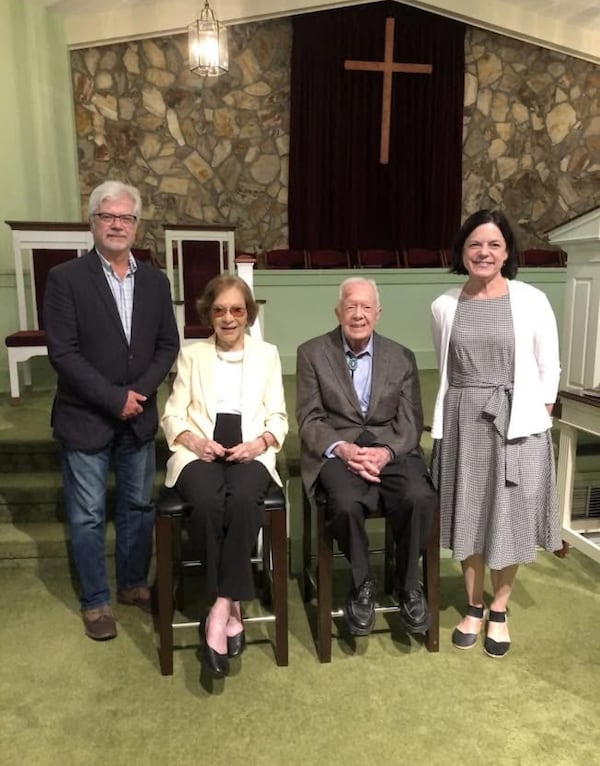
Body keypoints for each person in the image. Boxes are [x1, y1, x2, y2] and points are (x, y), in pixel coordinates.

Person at [44, 180, 179, 641]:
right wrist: (113, 398)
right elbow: (63, 353)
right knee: (86, 515)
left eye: (126, 217)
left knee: (139, 505)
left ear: (136, 225)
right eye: (108, 216)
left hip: (137, 416)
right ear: (93, 222)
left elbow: (167, 344)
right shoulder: (66, 279)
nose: (117, 224)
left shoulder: (157, 282)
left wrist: (136, 393)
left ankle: (133, 584)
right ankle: (96, 601)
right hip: (85, 418)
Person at [430, 208, 562, 658]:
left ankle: (499, 609)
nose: (483, 253)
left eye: (494, 245)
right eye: (475, 245)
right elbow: (448, 368)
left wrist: (535, 415)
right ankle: (471, 605)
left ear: (507, 253)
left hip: (517, 425)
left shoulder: (531, 299)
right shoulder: (444, 305)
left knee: (509, 516)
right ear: (462, 252)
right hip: (464, 421)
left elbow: (550, 366)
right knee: (469, 513)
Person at [161, 274, 288, 678]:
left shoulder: (267, 355)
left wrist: (260, 443)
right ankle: (230, 602)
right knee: (207, 501)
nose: (228, 318)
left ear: (248, 314)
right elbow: (172, 415)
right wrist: (195, 443)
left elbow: (279, 418)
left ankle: (219, 606)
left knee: (245, 500)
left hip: (250, 449)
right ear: (209, 315)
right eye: (220, 310)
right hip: (200, 451)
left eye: (237, 310)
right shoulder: (191, 355)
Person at [296, 277, 437, 638]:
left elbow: (411, 420)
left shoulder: (401, 356)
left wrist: (386, 452)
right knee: (343, 503)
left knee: (420, 497)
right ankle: (362, 583)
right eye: (350, 306)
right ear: (338, 311)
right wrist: (342, 449)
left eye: (366, 307)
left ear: (378, 312)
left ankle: (408, 584)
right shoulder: (312, 352)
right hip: (339, 450)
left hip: (390, 448)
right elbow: (309, 418)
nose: (358, 314)